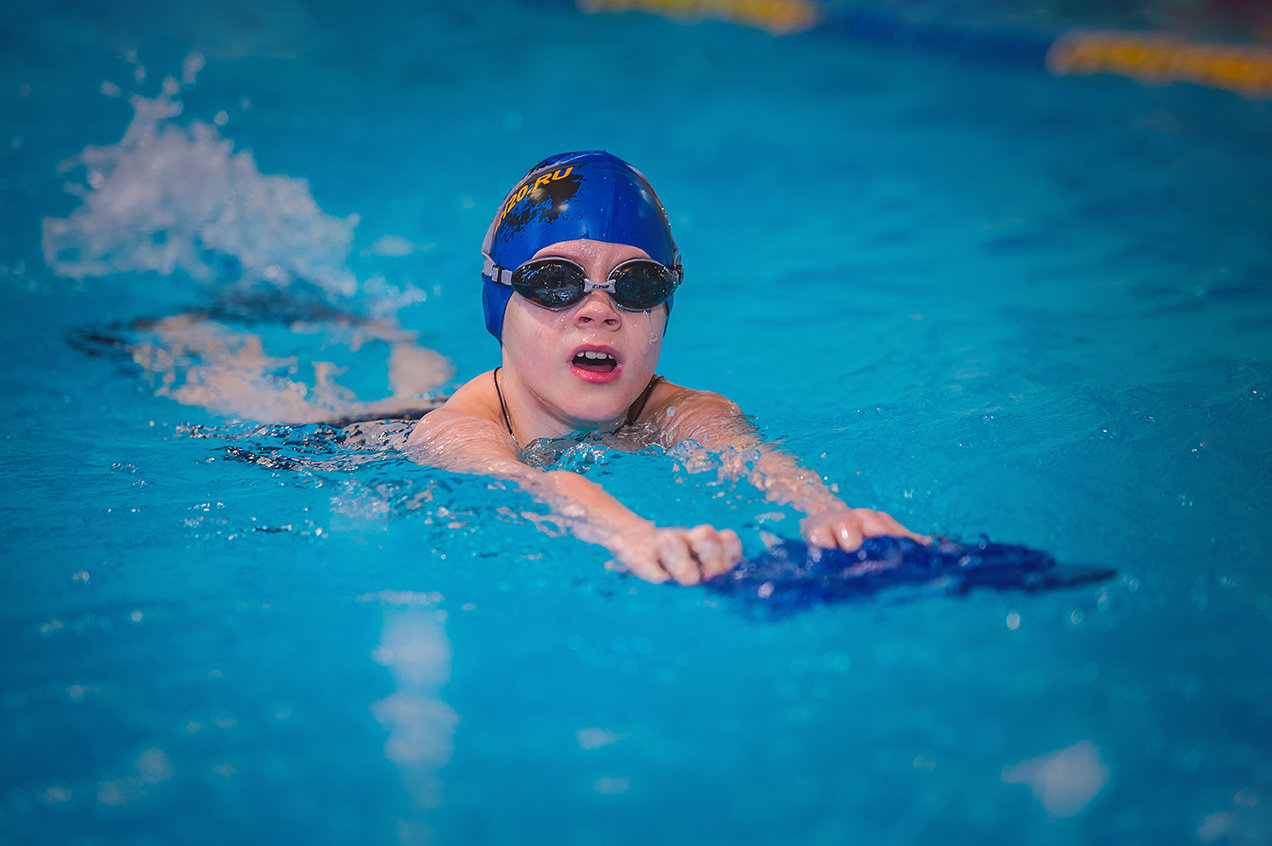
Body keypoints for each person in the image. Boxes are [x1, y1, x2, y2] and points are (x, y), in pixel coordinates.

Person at [407, 151, 925, 585]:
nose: (599, 310)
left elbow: (750, 457)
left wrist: (829, 511)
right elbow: (532, 484)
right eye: (555, 281)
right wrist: (632, 533)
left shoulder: (682, 410)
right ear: (500, 304)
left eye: (636, 285)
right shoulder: (455, 430)